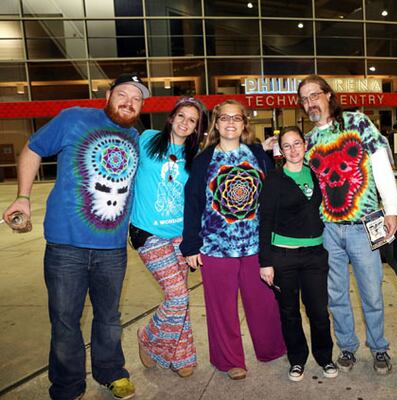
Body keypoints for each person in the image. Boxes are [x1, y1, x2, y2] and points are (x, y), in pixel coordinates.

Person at [2, 73, 149, 400]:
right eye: (123, 94)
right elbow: (32, 149)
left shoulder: (136, 138)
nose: (129, 102)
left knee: (109, 318)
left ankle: (110, 372)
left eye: (137, 99)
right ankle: (68, 386)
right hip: (66, 245)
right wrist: (23, 197)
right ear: (108, 94)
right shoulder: (74, 117)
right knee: (65, 321)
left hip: (112, 248)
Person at [297, 75, 397, 375]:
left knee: (371, 291)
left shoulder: (357, 123)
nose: (309, 102)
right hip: (328, 229)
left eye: (314, 94)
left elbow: (381, 164)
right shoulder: (310, 141)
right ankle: (347, 347)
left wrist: (391, 210)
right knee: (336, 294)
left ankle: (379, 348)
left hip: (365, 225)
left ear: (328, 95)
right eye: (304, 99)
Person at [180, 99, 286, 380]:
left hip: (256, 245)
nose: (230, 123)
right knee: (222, 308)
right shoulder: (203, 160)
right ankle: (230, 361)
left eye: (236, 118)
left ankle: (272, 348)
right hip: (215, 247)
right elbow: (191, 204)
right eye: (224, 118)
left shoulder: (256, 154)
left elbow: (273, 194)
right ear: (216, 123)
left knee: (263, 300)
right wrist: (190, 245)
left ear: (244, 124)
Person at [129, 97, 208, 378]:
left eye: (192, 121)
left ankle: (183, 355)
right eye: (181, 116)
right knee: (177, 297)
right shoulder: (147, 139)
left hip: (180, 238)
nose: (185, 123)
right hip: (149, 233)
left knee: (181, 298)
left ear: (197, 128)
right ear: (171, 117)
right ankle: (148, 338)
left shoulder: (195, 157)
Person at [258, 126, 338, 382]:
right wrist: (266, 262)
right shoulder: (274, 179)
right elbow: (265, 220)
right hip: (284, 257)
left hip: (315, 256)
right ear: (280, 150)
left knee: (318, 311)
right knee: (289, 312)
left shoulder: (317, 175)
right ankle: (297, 359)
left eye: (297, 144)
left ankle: (325, 357)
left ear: (305, 145)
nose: (293, 150)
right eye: (287, 146)